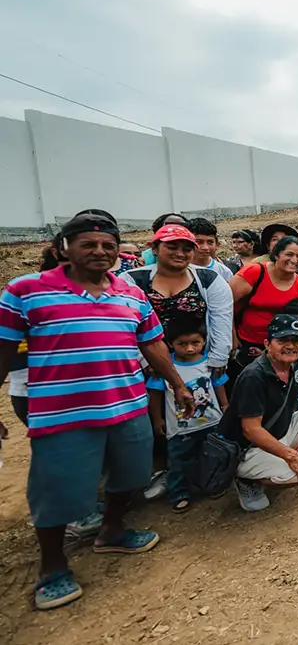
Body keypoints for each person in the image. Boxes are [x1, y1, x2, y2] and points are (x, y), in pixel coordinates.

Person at [0, 213, 195, 610]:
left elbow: (153, 344)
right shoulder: (25, 291)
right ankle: (52, 568)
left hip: (127, 405)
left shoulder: (131, 294)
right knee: (55, 490)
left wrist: (177, 383)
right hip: (61, 414)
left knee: (130, 476)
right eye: (88, 244)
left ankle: (112, 531)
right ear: (64, 248)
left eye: (108, 245)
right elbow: (3, 353)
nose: (100, 252)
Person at [221, 314, 298, 513]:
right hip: (248, 448)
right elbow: (250, 430)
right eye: (282, 340)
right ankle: (247, 480)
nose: (290, 346)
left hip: (280, 431)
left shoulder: (297, 363)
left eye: (297, 340)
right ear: (267, 344)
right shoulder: (253, 376)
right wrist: (291, 457)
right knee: (293, 477)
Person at [120, 224, 234, 373]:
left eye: (187, 249)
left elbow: (221, 320)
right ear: (154, 248)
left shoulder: (208, 279)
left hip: (198, 363)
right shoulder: (132, 280)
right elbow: (124, 325)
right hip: (145, 365)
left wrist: (218, 359)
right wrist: (144, 361)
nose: (180, 253)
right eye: (172, 247)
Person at [146, 319, 228, 513]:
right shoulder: (164, 369)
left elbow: (218, 384)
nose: (190, 349)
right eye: (183, 344)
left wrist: (225, 405)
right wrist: (157, 419)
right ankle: (179, 493)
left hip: (211, 423)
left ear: (203, 342)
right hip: (179, 429)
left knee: (211, 457)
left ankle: (213, 485)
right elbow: (156, 395)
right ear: (171, 344)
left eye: (195, 343)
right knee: (178, 462)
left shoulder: (210, 362)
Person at [228, 236, 298, 378]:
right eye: (289, 254)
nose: (294, 260)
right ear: (277, 254)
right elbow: (224, 305)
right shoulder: (254, 272)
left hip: (279, 347)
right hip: (245, 343)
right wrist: (232, 337)